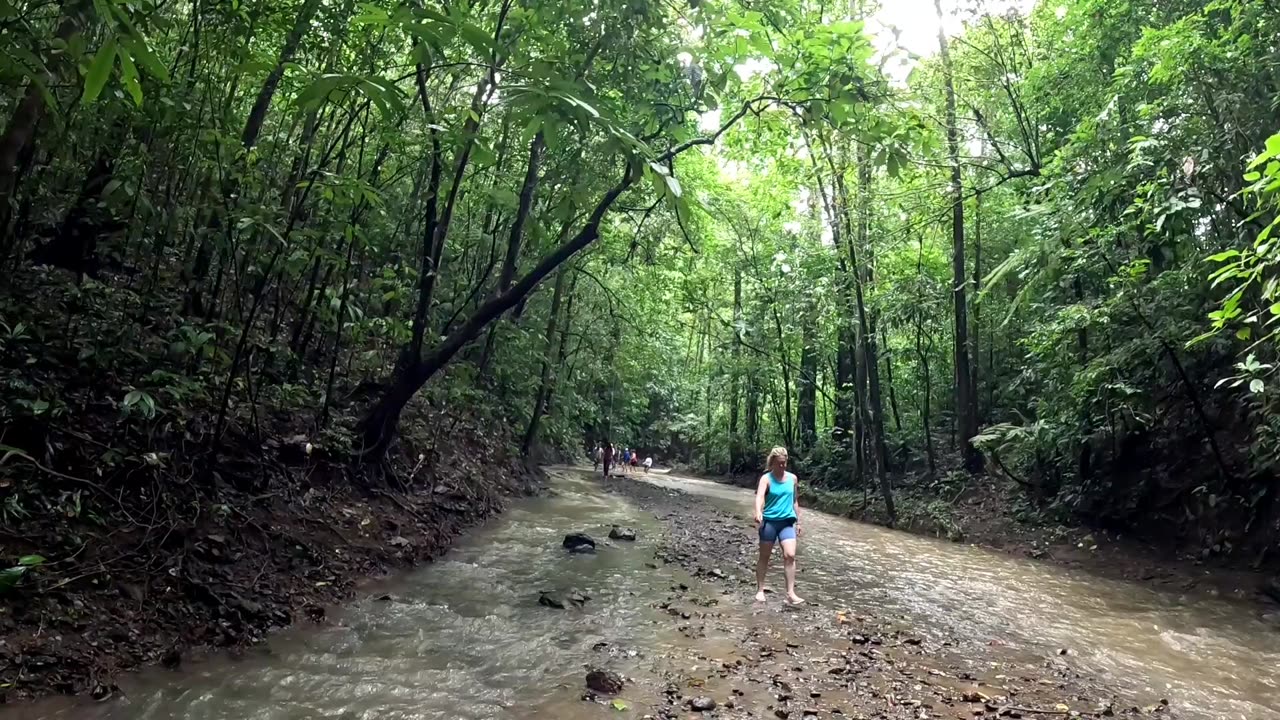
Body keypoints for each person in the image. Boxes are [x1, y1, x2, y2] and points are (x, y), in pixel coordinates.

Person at [753, 446, 803, 605]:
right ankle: (760, 590)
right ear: (772, 463)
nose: (782, 466)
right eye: (779, 463)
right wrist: (758, 512)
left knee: (790, 555)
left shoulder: (793, 478)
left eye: (784, 463)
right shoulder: (766, 478)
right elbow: (760, 496)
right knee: (765, 557)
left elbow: (795, 500)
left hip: (787, 522)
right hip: (769, 522)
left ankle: (790, 593)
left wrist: (799, 521)